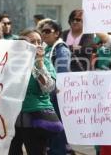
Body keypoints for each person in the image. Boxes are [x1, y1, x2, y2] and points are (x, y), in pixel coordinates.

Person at [9, 29, 62, 155]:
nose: (38, 44)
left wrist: (39, 64)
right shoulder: (10, 63)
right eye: (33, 41)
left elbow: (49, 88)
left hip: (35, 118)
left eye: (39, 41)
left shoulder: (45, 63)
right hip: (12, 118)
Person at [40, 20, 72, 155]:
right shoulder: (46, 48)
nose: (44, 34)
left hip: (56, 97)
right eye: (42, 31)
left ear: (57, 33)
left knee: (57, 130)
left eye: (47, 31)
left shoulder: (61, 49)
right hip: (48, 97)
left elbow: (62, 74)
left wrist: (52, 90)